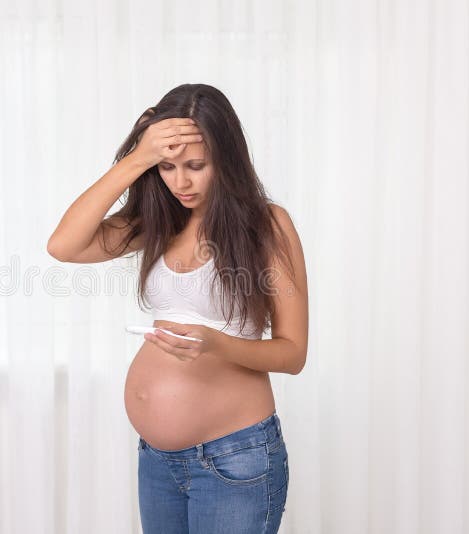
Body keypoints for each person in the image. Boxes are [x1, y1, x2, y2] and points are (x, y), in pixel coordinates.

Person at [47, 83, 308, 533]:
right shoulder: (155, 223)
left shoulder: (267, 226)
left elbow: (292, 353)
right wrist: (138, 157)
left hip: (234, 459)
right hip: (158, 461)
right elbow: (63, 246)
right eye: (167, 166)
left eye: (196, 166)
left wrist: (215, 344)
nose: (180, 181)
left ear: (225, 160)